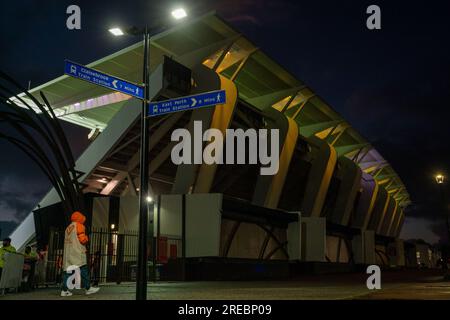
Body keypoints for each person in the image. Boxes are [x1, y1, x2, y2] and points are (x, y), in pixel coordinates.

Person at [60, 211, 100, 297]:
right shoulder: (79, 226)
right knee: (83, 269)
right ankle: (88, 288)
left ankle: (64, 290)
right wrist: (87, 238)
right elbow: (83, 240)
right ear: (79, 218)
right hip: (77, 252)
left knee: (68, 271)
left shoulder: (68, 227)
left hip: (68, 253)